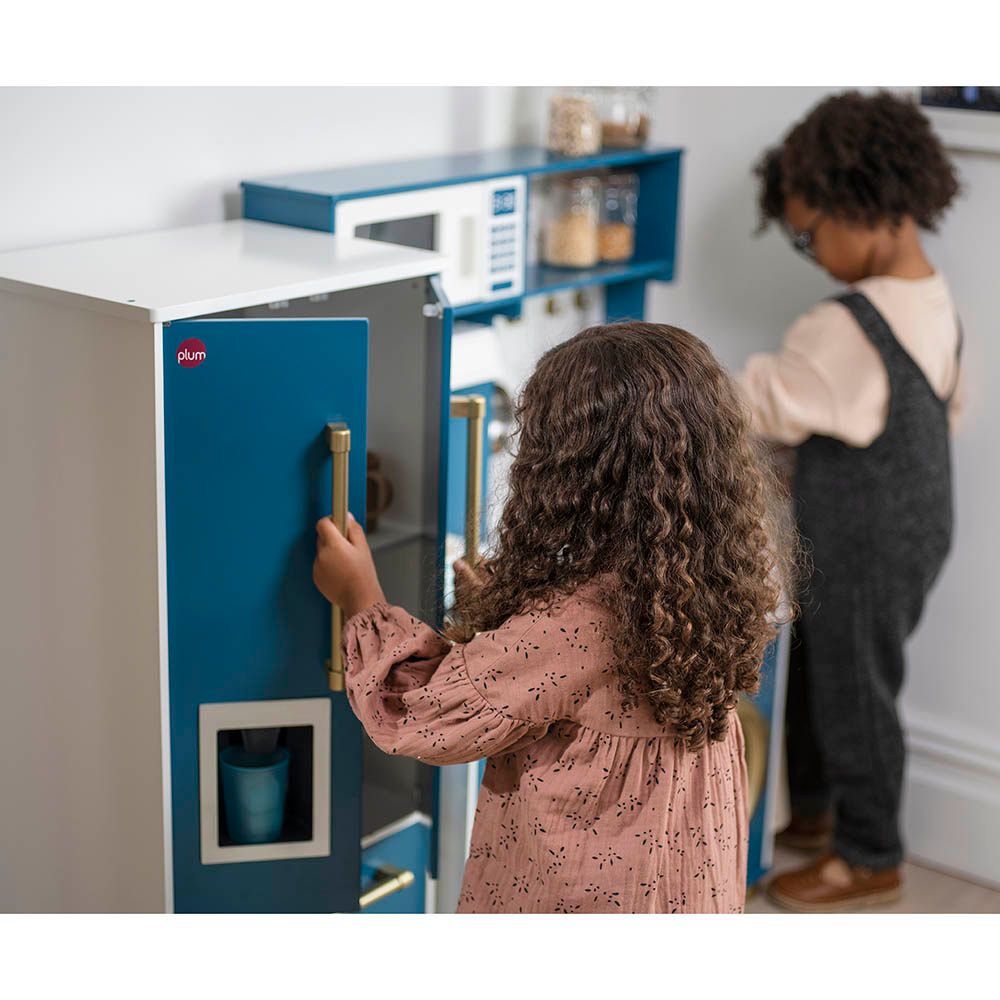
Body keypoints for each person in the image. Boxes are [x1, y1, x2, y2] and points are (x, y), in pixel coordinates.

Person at [314, 322, 792, 913]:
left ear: (566, 473)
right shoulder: (709, 580)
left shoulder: (571, 625)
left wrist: (360, 594)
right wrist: (514, 626)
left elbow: (423, 711)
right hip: (683, 878)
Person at [739, 91, 963, 911]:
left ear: (860, 203)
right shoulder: (930, 297)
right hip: (916, 519)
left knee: (855, 686)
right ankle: (821, 812)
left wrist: (680, 389)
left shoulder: (847, 323)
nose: (809, 251)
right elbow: (936, 409)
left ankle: (871, 855)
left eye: (807, 233)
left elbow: (759, 402)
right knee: (833, 670)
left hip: (865, 532)